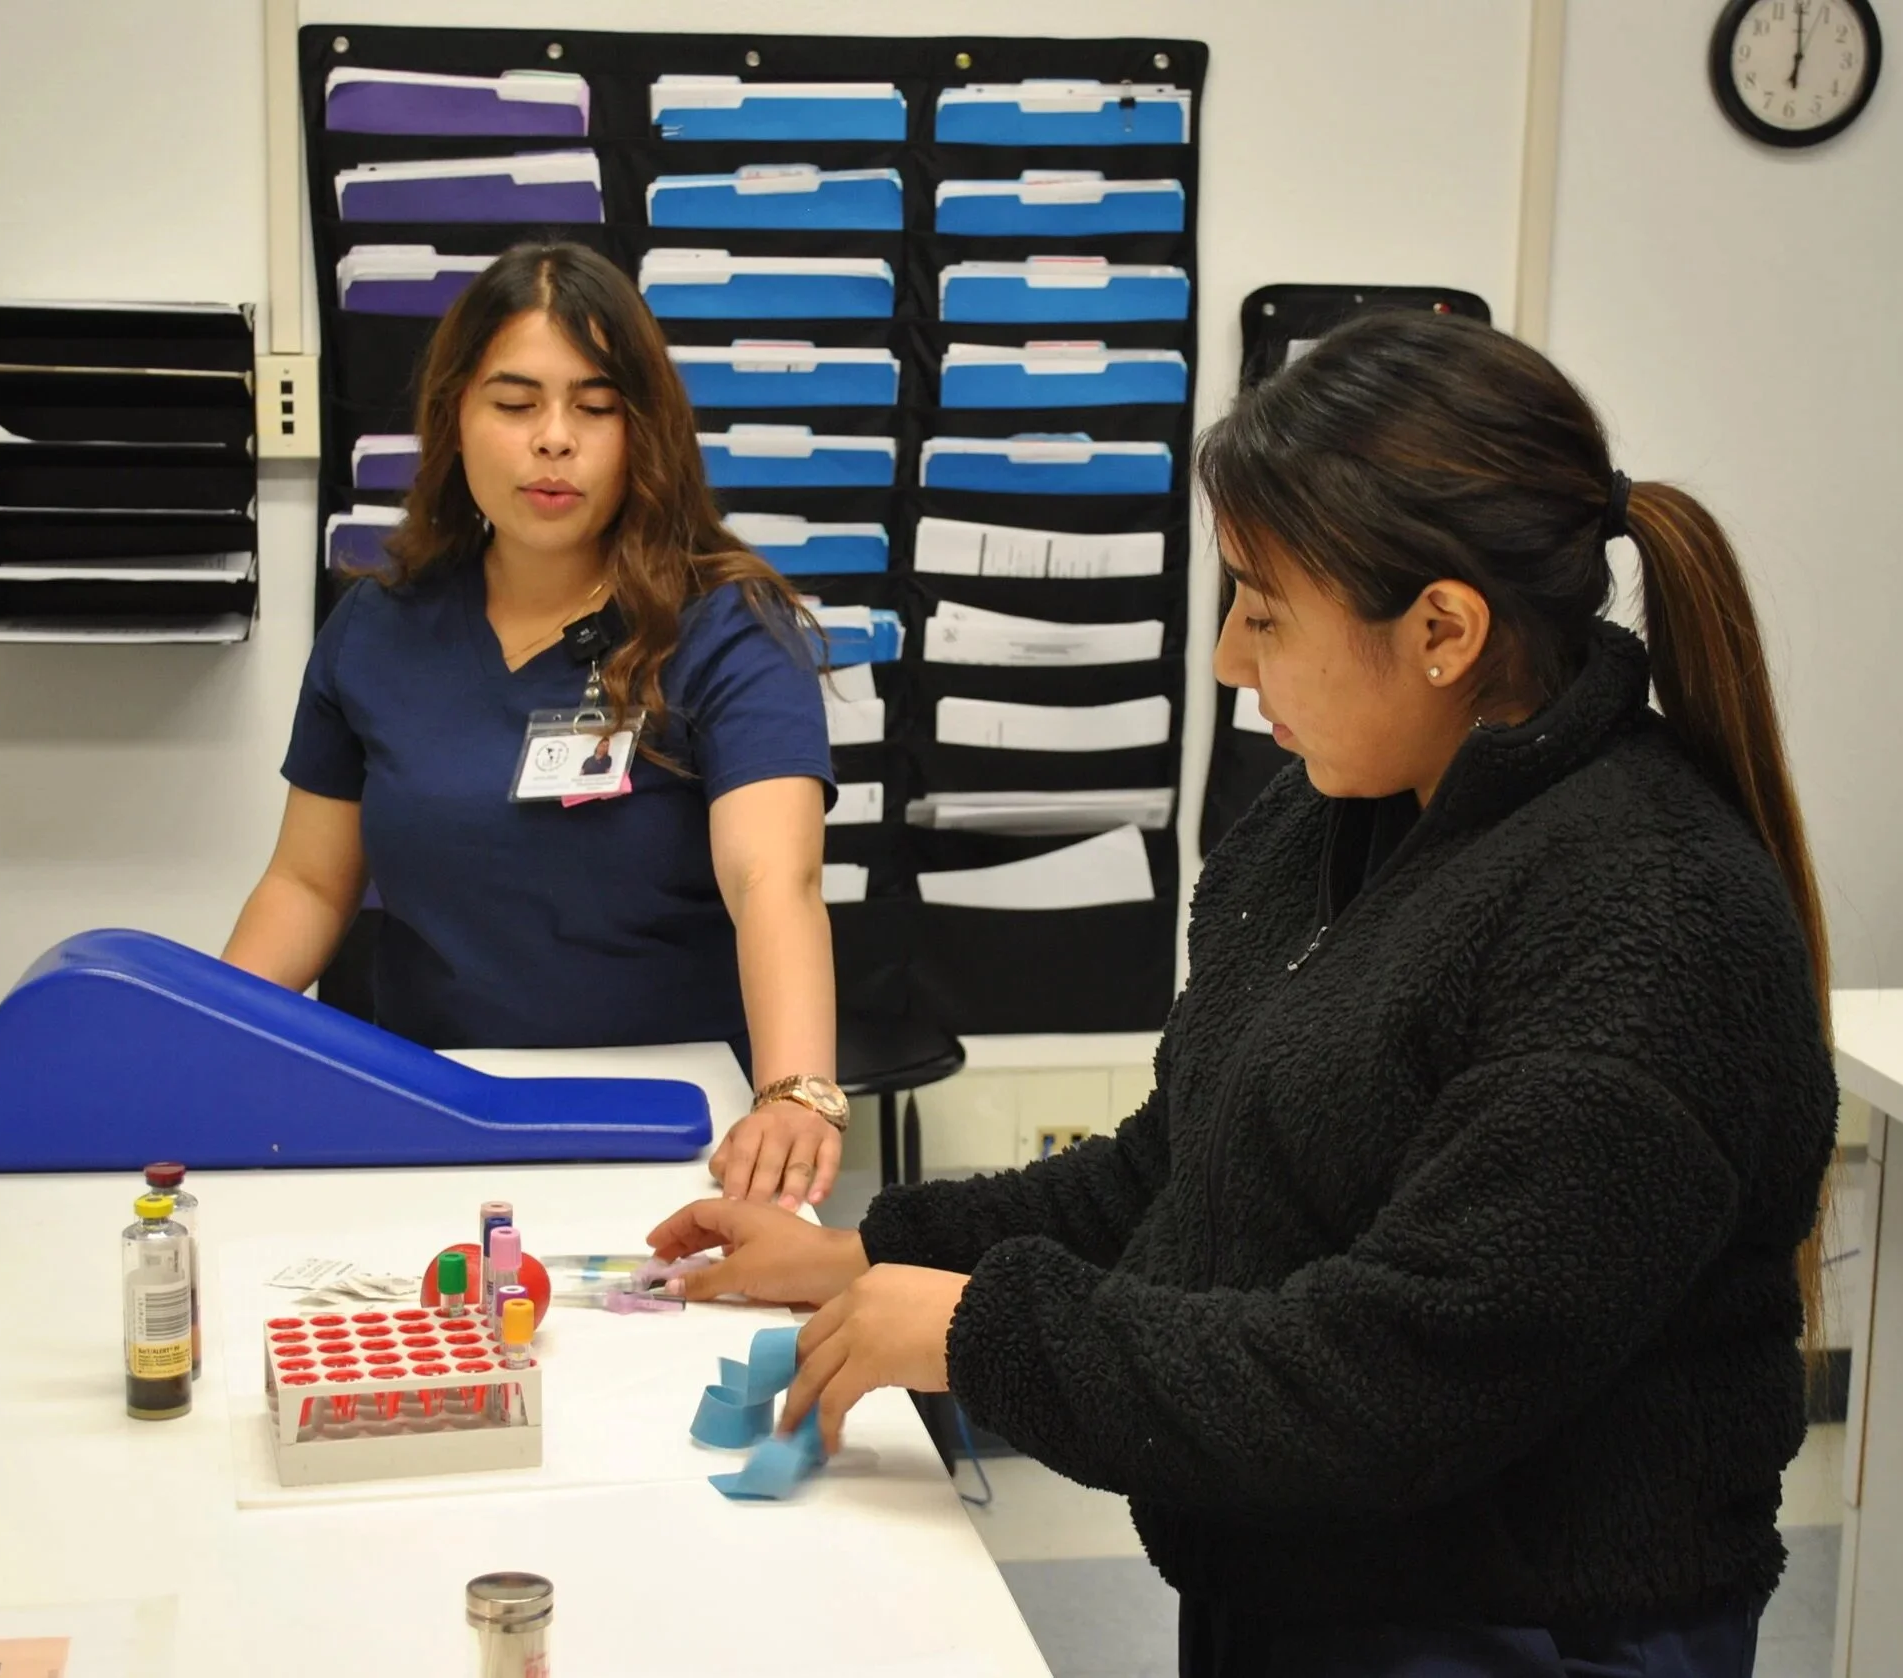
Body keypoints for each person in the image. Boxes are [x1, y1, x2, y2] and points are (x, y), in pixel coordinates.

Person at [649, 311, 1838, 1676]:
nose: (1226, 659)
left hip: (1523, 1626)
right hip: (1310, 1579)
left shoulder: (1649, 920)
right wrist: (864, 1255)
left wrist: (986, 1333)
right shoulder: (1337, 817)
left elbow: (1398, 1376)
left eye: (1265, 610)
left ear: (1445, 627)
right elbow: (1189, 1167)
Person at [224, 243, 852, 1208]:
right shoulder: (377, 626)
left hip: (670, 1118)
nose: (553, 439)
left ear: (645, 432)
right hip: (428, 1106)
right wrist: (210, 1052)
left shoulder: (729, 629)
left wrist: (796, 1094)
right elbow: (308, 881)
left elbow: (774, 878)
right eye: (515, 404)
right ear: (455, 420)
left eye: (595, 409)